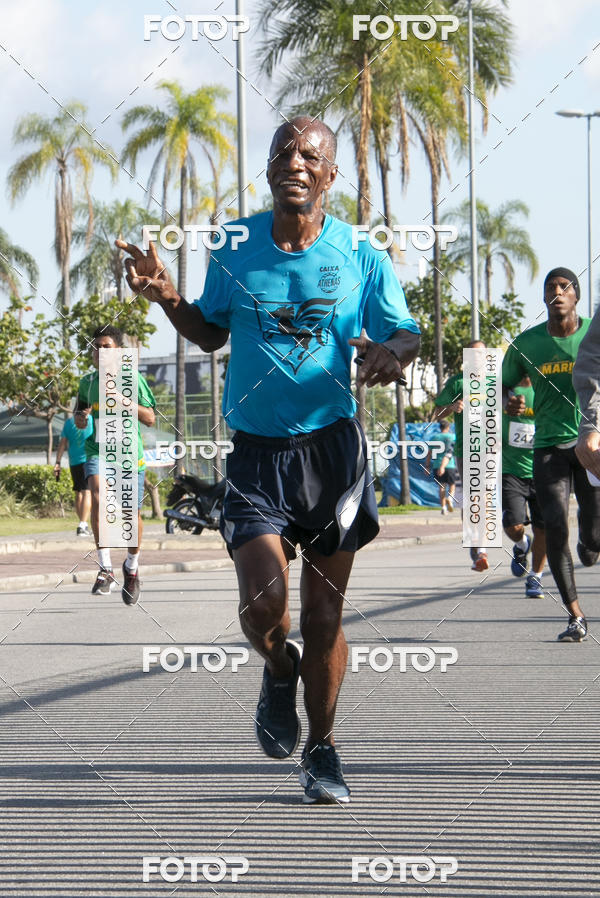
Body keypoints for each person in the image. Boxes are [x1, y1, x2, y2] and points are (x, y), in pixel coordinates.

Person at [116, 115, 420, 804]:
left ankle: (323, 750)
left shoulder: (360, 252)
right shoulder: (235, 246)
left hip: (332, 453)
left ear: (330, 175)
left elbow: (405, 331)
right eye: (283, 152)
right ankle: (278, 668)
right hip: (256, 454)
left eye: (310, 155)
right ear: (270, 169)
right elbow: (209, 333)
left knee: (324, 617)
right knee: (265, 608)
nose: (295, 163)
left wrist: (390, 353)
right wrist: (167, 296)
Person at [502, 267, 599, 641]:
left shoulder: (593, 333)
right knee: (555, 526)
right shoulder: (526, 344)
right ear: (544, 297)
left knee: (594, 539)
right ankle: (575, 615)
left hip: (590, 444)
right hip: (547, 448)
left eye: (564, 286)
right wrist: (510, 400)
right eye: (550, 287)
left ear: (576, 296)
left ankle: (590, 543)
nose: (557, 292)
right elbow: (502, 386)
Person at [75, 325, 156, 605]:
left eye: (106, 347)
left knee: (130, 516)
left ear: (118, 351)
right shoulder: (87, 382)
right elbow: (79, 412)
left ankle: (131, 568)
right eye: (95, 347)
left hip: (129, 455)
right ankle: (105, 568)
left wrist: (123, 401)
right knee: (98, 496)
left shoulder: (132, 379)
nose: (99, 352)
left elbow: (150, 418)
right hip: (98, 450)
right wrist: (80, 419)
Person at [433, 340, 489, 571]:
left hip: (491, 449)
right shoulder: (457, 382)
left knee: (484, 499)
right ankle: (474, 543)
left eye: (481, 354)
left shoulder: (495, 382)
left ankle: (481, 548)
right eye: (473, 354)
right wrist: (452, 407)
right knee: (473, 498)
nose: (477, 358)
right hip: (467, 450)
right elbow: (436, 413)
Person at [502, 376, 547, 598]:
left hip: (544, 468)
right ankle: (521, 545)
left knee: (543, 528)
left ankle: (535, 578)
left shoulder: (546, 387)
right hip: (511, 470)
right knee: (513, 525)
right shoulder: (503, 389)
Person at [54, 409, 93, 536]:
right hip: (88, 460)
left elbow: (62, 443)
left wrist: (58, 462)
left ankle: (83, 524)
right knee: (87, 492)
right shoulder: (92, 420)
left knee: (78, 493)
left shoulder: (69, 422)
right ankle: (82, 524)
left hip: (74, 462)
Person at [424, 420, 457, 514]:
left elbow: (429, 454)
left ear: (440, 428)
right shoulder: (453, 437)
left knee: (442, 486)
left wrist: (427, 466)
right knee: (452, 484)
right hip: (450, 464)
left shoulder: (434, 438)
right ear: (448, 427)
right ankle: (450, 498)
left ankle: (443, 508)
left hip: (437, 465)